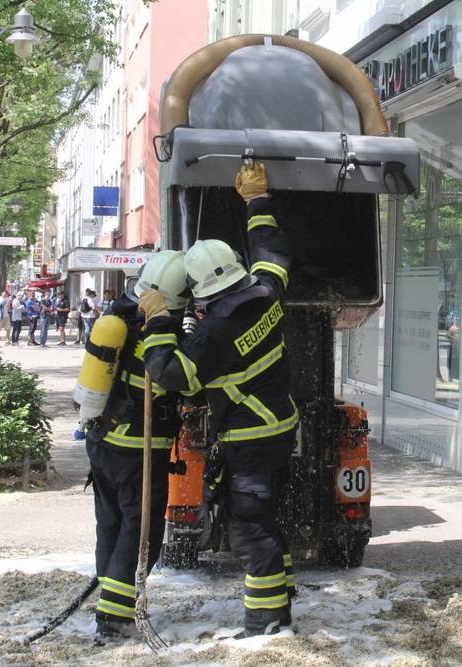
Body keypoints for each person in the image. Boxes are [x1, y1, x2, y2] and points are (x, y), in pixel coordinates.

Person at [138, 163, 297, 637]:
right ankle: (282, 598)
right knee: (265, 520)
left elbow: (173, 376)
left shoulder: (214, 332)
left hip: (249, 439)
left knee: (250, 529)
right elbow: (271, 251)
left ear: (202, 290)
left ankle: (266, 622)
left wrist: (160, 323)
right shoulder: (266, 292)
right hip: (278, 430)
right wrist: (257, 202)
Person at [84, 250, 188, 641]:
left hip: (103, 445)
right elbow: (179, 381)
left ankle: (107, 596)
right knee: (140, 532)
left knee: (110, 524)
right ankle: (114, 618)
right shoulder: (156, 336)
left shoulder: (119, 320)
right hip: (139, 452)